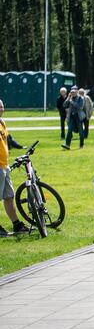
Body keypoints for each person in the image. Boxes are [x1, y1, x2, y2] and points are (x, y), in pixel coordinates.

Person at [0, 99, 26, 237]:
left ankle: (16, 224)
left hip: (5, 165)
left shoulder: (2, 123)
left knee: (9, 196)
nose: (1, 109)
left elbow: (7, 141)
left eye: (2, 106)